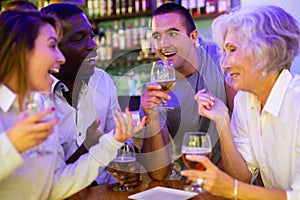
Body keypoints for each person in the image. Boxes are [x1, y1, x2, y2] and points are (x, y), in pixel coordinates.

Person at [0, 9, 145, 199]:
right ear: (19, 51)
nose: (59, 58)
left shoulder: (40, 109)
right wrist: (11, 145)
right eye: (52, 46)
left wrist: (112, 141)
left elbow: (55, 186)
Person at [181, 4, 300, 199]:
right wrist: (222, 120)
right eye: (223, 52)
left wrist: (231, 189)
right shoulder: (245, 99)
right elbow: (242, 175)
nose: (225, 64)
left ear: (265, 51)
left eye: (232, 50)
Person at [41, 3, 140, 187]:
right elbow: (44, 182)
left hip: (105, 191)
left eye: (92, 36)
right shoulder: (36, 96)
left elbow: (121, 142)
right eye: (79, 39)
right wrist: (89, 146)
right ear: (53, 47)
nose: (93, 45)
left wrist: (127, 167)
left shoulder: (103, 80)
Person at [139, 3, 233, 180]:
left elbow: (242, 130)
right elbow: (159, 174)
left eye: (173, 34)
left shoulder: (221, 60)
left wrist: (217, 178)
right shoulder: (158, 86)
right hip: (185, 182)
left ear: (193, 36)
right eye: (157, 36)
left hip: (227, 177)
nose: (164, 44)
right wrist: (151, 117)